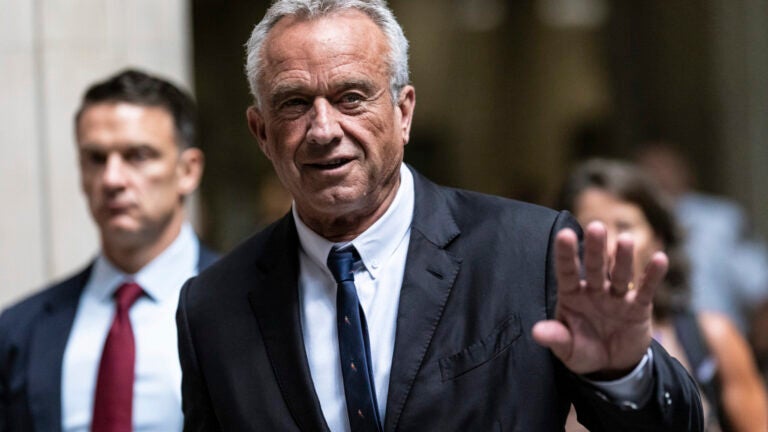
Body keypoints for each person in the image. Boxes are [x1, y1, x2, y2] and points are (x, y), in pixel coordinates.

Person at [176, 1, 703, 430]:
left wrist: (623, 372)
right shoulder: (213, 308)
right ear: (261, 133)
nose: (323, 129)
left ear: (403, 112)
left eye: (351, 97)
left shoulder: (526, 253)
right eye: (293, 103)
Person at [0, 69, 218, 431]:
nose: (112, 179)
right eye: (96, 158)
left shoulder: (251, 307)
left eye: (138, 155)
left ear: (188, 171)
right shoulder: (21, 330)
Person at [558, 158, 767, 431]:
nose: (609, 246)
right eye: (589, 229)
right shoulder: (543, 346)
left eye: (624, 226)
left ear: (657, 240)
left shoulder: (711, 338)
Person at [636, 142, 768, 334]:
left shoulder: (720, 219)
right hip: (659, 343)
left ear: (686, 172)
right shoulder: (633, 223)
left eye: (665, 167)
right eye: (648, 169)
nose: (657, 176)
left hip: (722, 341)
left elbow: (759, 287)